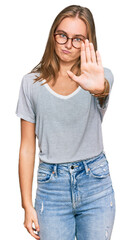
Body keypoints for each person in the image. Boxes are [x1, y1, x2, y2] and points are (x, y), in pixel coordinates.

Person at [15, 4, 116, 240]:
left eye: (78, 38)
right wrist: (26, 204)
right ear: (53, 35)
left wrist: (99, 88)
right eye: (63, 36)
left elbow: (103, 90)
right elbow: (27, 148)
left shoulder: (101, 78)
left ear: (89, 42)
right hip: (52, 189)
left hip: (95, 184)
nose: (69, 45)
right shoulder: (31, 83)